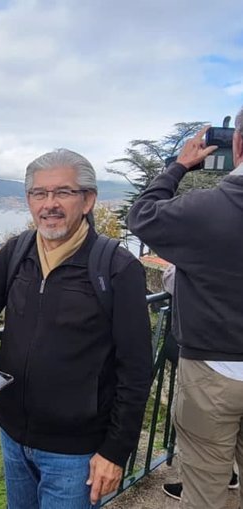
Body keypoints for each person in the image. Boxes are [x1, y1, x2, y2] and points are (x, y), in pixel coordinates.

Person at [0, 149, 153, 508]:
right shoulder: (17, 251)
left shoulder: (116, 268)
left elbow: (135, 371)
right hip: (13, 436)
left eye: (63, 192)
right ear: (28, 200)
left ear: (88, 200)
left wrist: (115, 453)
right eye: (39, 193)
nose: (49, 204)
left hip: (75, 454)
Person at [127, 109, 243, 509]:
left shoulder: (205, 209)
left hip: (212, 371)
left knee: (204, 490)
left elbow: (141, 213)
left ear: (238, 144)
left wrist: (179, 165)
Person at [158, 264, 239, 501]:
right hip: (220, 366)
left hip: (215, 366)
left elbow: (174, 280)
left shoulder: (209, 239)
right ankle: (229, 474)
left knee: (204, 483)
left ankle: (222, 475)